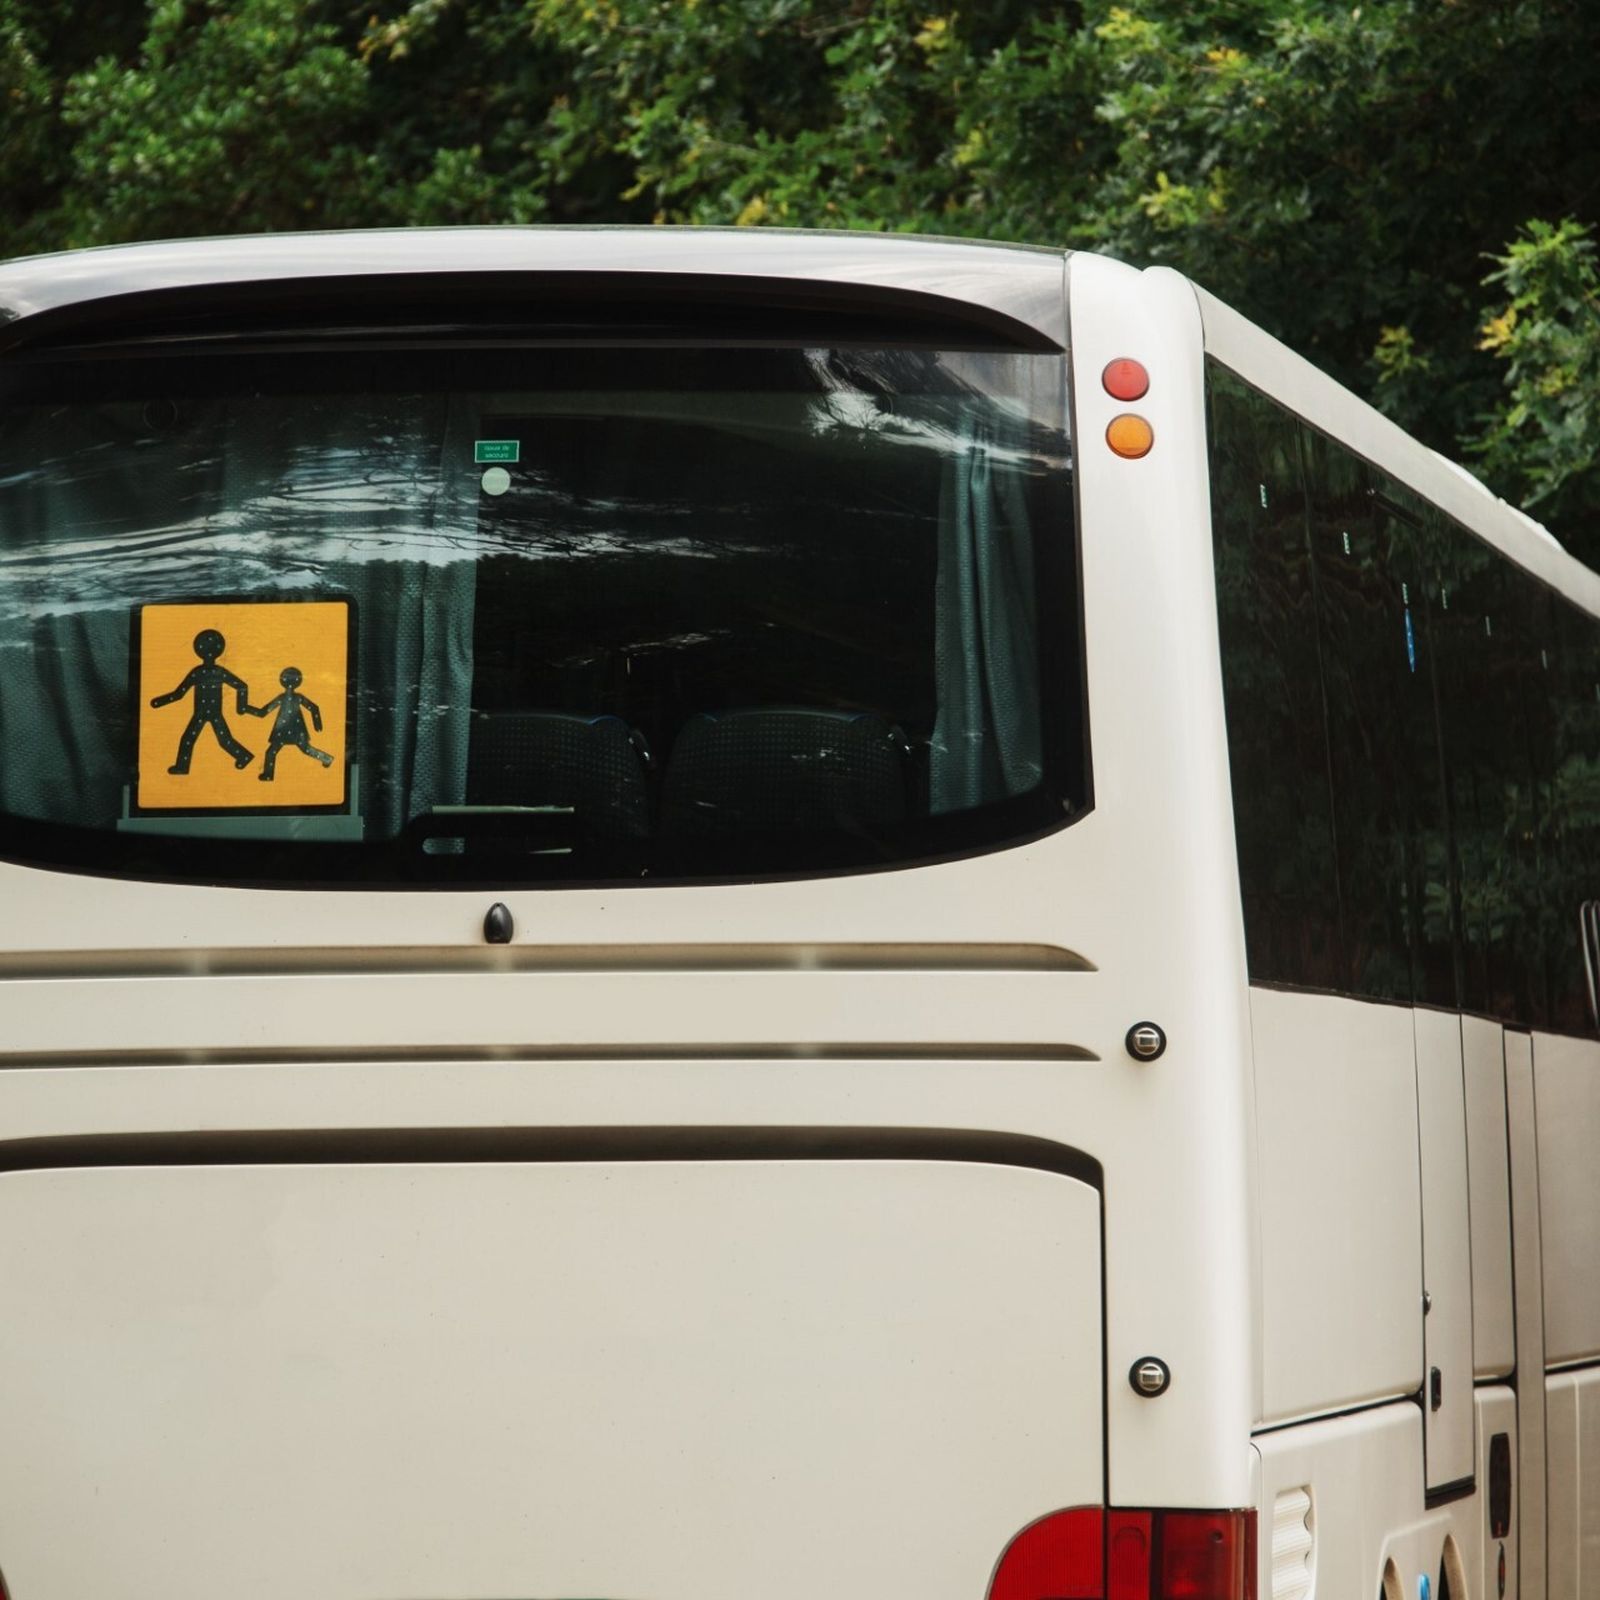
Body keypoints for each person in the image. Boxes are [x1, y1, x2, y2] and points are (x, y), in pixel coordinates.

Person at [149, 628, 254, 773]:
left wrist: (160, 701)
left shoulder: (201, 672)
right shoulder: (213, 671)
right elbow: (241, 687)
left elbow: (179, 694)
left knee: (196, 739)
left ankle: (183, 767)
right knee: (219, 740)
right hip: (205, 713)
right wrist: (241, 707)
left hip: (206, 713)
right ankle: (243, 756)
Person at [247, 666, 334, 781]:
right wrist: (317, 722)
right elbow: (314, 708)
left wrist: (247, 710)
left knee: (272, 752)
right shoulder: (296, 697)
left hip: (285, 730)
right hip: (293, 729)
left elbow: (263, 712)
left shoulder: (284, 697)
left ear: (281, 680)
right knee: (303, 749)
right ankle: (326, 759)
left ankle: (268, 775)